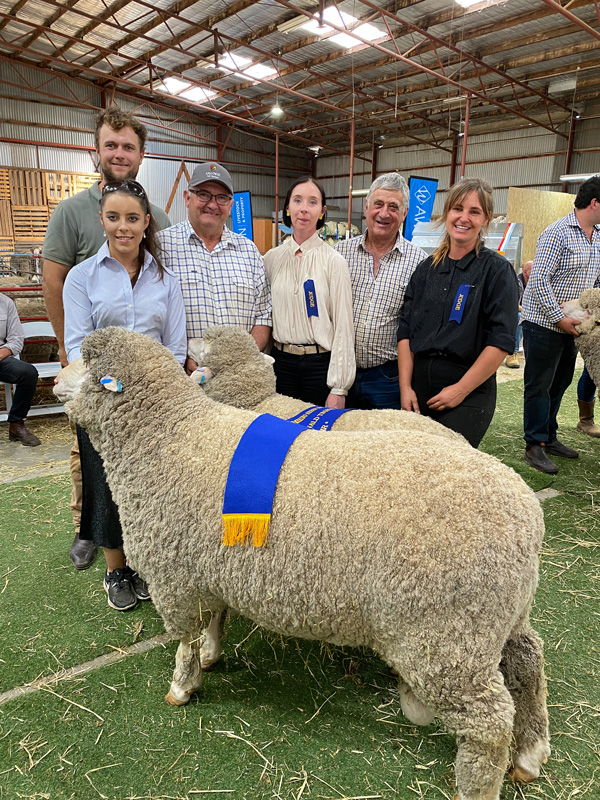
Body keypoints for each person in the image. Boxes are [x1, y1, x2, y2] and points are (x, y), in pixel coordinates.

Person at [42, 106, 171, 570]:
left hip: (148, 381)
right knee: (91, 457)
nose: (119, 153)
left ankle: (141, 544)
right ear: (96, 149)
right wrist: (70, 357)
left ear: (141, 154)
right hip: (94, 368)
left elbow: (163, 295)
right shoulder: (71, 213)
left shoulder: (158, 216)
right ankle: (89, 531)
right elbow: (54, 282)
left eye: (128, 146)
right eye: (111, 144)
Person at [63, 180, 186, 611]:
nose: (123, 227)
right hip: (104, 403)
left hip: (154, 406)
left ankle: (144, 562)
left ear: (146, 222)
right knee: (106, 485)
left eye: (132, 218)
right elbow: (79, 346)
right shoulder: (82, 278)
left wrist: (148, 392)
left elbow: (175, 348)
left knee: (152, 488)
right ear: (102, 220)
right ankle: (116, 568)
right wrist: (117, 389)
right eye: (114, 217)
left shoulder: (164, 279)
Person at [397, 177, 519, 448]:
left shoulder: (496, 271)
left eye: (474, 211)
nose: (464, 218)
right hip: (418, 387)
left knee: (448, 469)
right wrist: (405, 388)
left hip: (469, 390)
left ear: (486, 219)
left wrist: (461, 390)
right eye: (458, 209)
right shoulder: (425, 270)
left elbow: (501, 341)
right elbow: (405, 330)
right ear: (447, 214)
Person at [156, 162, 271, 374]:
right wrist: (181, 358)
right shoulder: (161, 247)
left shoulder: (249, 251)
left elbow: (263, 315)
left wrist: (242, 362)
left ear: (231, 205)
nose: (212, 204)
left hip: (240, 377)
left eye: (222, 198)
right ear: (187, 197)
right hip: (182, 378)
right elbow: (151, 316)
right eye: (204, 194)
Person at [522, 175, 600, 474]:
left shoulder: (597, 234)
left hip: (575, 326)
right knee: (539, 385)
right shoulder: (557, 232)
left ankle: (549, 436)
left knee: (561, 381)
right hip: (544, 323)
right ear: (594, 202)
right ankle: (534, 444)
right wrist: (559, 317)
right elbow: (539, 280)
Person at [335, 173, 425, 409]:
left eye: (393, 207)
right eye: (378, 204)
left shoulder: (419, 262)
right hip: (339, 372)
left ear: (404, 213)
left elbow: (418, 327)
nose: (384, 213)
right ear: (366, 208)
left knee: (383, 442)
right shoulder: (339, 254)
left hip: (388, 379)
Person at [263, 176, 355, 408]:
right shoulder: (271, 259)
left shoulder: (334, 262)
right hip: (280, 364)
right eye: (297, 200)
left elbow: (343, 325)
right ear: (287, 208)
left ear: (322, 211)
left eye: (312, 202)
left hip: (320, 367)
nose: (304, 209)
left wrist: (339, 387)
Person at [0, 293, 41, 446]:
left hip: (1, 357)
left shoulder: (6, 303)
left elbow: (16, 339)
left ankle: (16, 424)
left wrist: (2, 353)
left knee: (28, 373)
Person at [505, 259, 531, 368]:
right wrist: (529, 310)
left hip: (528, 312)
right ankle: (512, 353)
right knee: (520, 317)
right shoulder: (516, 282)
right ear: (525, 272)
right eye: (533, 271)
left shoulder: (534, 283)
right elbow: (513, 306)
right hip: (508, 313)